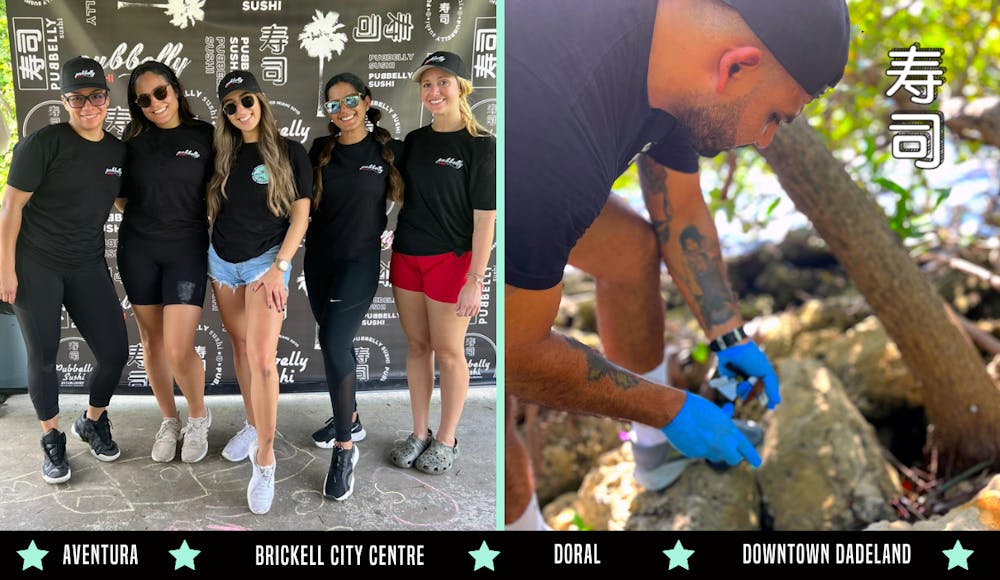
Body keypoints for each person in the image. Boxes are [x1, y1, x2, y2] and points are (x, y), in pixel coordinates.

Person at [505, 0, 851, 529]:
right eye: (775, 117)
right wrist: (669, 408)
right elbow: (514, 354)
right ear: (735, 66)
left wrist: (728, 335)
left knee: (631, 252)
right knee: (479, 406)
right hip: (401, 210)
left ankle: (653, 451)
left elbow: (681, 210)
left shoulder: (679, 56)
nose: (764, 140)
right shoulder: (552, 131)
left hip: (518, 178)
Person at [0, 57, 128, 484]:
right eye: (77, 98)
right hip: (35, 264)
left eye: (96, 97)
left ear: (107, 98)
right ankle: (52, 438)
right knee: (43, 357)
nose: (88, 106)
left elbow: (125, 202)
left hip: (87, 263)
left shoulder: (116, 152)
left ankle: (92, 420)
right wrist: (5, 270)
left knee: (114, 352)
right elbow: (11, 207)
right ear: (64, 101)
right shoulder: (43, 144)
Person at [207, 70, 312, 514]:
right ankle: (253, 425)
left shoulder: (290, 151)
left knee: (263, 361)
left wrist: (279, 268)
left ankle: (265, 459)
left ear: (261, 100)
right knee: (241, 346)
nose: (241, 111)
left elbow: (301, 216)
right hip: (221, 263)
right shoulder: (220, 154)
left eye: (246, 100)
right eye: (230, 106)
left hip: (265, 264)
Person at [388, 52, 496, 475]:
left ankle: (447, 438)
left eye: (443, 83)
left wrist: (476, 278)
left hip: (452, 262)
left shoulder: (481, 144)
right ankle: (419, 432)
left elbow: (485, 217)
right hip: (407, 257)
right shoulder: (414, 142)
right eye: (427, 84)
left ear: (461, 87)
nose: (434, 92)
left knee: (449, 352)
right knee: (417, 348)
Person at [305, 72, 403, 500]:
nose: (342, 111)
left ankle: (345, 448)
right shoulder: (319, 151)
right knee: (332, 344)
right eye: (333, 105)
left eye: (349, 102)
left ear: (365, 102)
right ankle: (353, 417)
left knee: (333, 338)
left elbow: (429, 196)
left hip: (360, 263)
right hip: (318, 260)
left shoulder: (390, 152)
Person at [117, 61, 215, 464]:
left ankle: (198, 417)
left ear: (176, 90)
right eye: (144, 99)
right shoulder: (131, 142)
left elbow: (226, 186)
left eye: (161, 92)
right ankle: (169, 419)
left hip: (186, 250)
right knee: (151, 343)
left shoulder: (206, 135)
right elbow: (118, 195)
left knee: (178, 347)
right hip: (138, 250)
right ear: (137, 106)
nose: (155, 103)